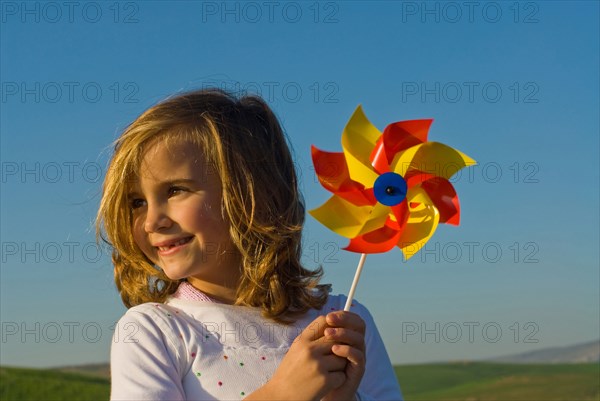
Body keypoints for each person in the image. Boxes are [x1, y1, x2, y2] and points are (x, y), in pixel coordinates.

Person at [97, 88, 403, 400]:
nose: (151, 222)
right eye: (136, 202)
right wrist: (281, 394)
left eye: (175, 190)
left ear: (251, 194)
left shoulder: (344, 320)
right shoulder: (154, 332)